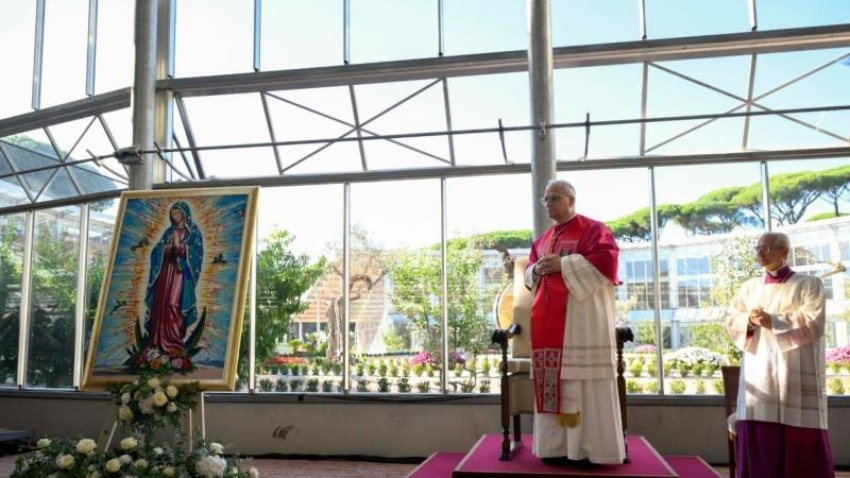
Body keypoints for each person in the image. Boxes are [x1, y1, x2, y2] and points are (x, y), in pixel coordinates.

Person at [525, 179, 625, 465]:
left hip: (581, 326)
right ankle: (555, 449)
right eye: (546, 199)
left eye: (554, 198)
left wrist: (563, 264)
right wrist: (537, 269)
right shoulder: (542, 240)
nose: (548, 204)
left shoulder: (593, 230)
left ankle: (590, 451)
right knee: (554, 380)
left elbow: (607, 263)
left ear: (571, 200)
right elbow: (528, 274)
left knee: (584, 383)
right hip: (548, 327)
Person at [726, 232, 834, 478]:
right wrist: (749, 321)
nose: (760, 254)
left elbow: (813, 321)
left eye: (766, 248)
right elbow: (732, 319)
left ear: (785, 251)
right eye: (757, 249)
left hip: (794, 374)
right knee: (761, 440)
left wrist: (772, 320)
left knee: (799, 442)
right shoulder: (749, 288)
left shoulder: (809, 284)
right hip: (760, 373)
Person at [144, 201, 204, 358]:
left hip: (180, 274)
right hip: (165, 273)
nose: (174, 215)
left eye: (177, 212)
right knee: (161, 304)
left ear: (184, 214)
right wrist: (167, 248)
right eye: (172, 213)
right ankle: (158, 343)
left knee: (174, 304)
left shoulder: (193, 231)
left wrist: (182, 248)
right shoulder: (168, 232)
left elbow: (198, 253)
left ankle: (174, 343)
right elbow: (156, 251)